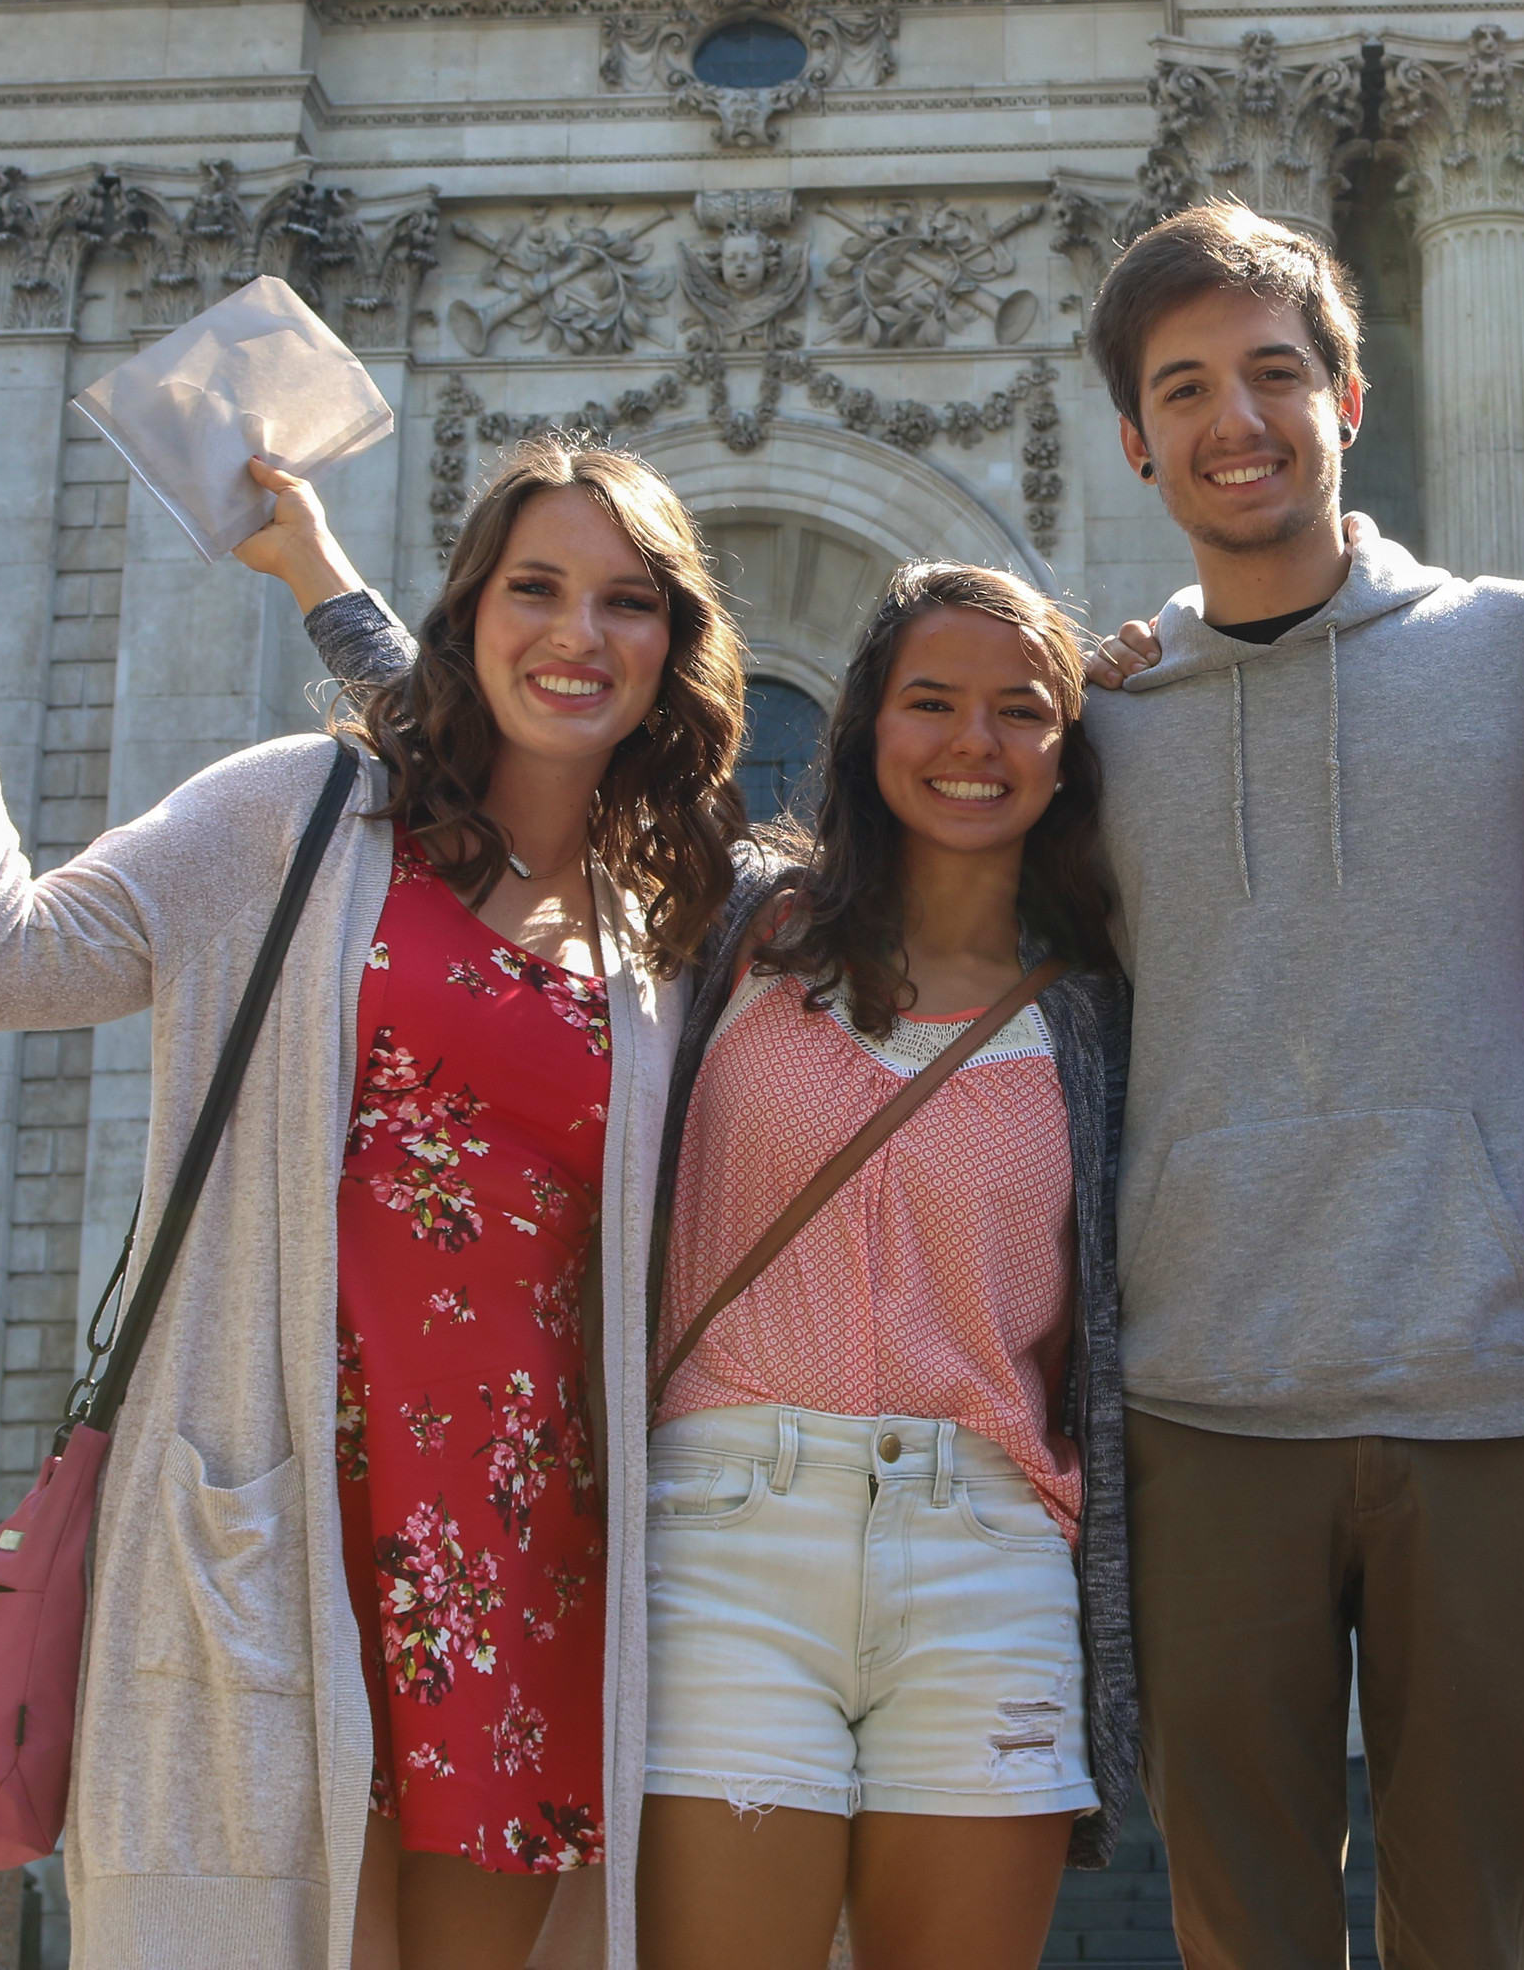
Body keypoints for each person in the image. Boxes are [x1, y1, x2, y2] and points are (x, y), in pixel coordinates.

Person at [0, 406, 745, 1970]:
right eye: (534, 587)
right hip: (276, 1511)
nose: (580, 633)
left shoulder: (669, 921)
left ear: (677, 643)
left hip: (534, 1552)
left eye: (629, 600)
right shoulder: (292, 816)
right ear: (468, 615)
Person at [260, 513, 1144, 1969]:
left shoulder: (1099, 1005)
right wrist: (314, 575)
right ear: (864, 731)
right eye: (930, 700)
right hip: (727, 1543)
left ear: (1066, 750)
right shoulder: (736, 924)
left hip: (987, 1552)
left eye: (1022, 707)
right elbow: (499, 750)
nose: (972, 740)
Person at [1080, 203, 1524, 1969]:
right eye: (1186, 388)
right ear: (1135, 439)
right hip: (1203, 1391)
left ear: (1350, 397)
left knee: (1480, 1921)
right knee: (1240, 1926)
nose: (1235, 419)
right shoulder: (1090, 722)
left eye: (1272, 372)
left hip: (1490, 1378)